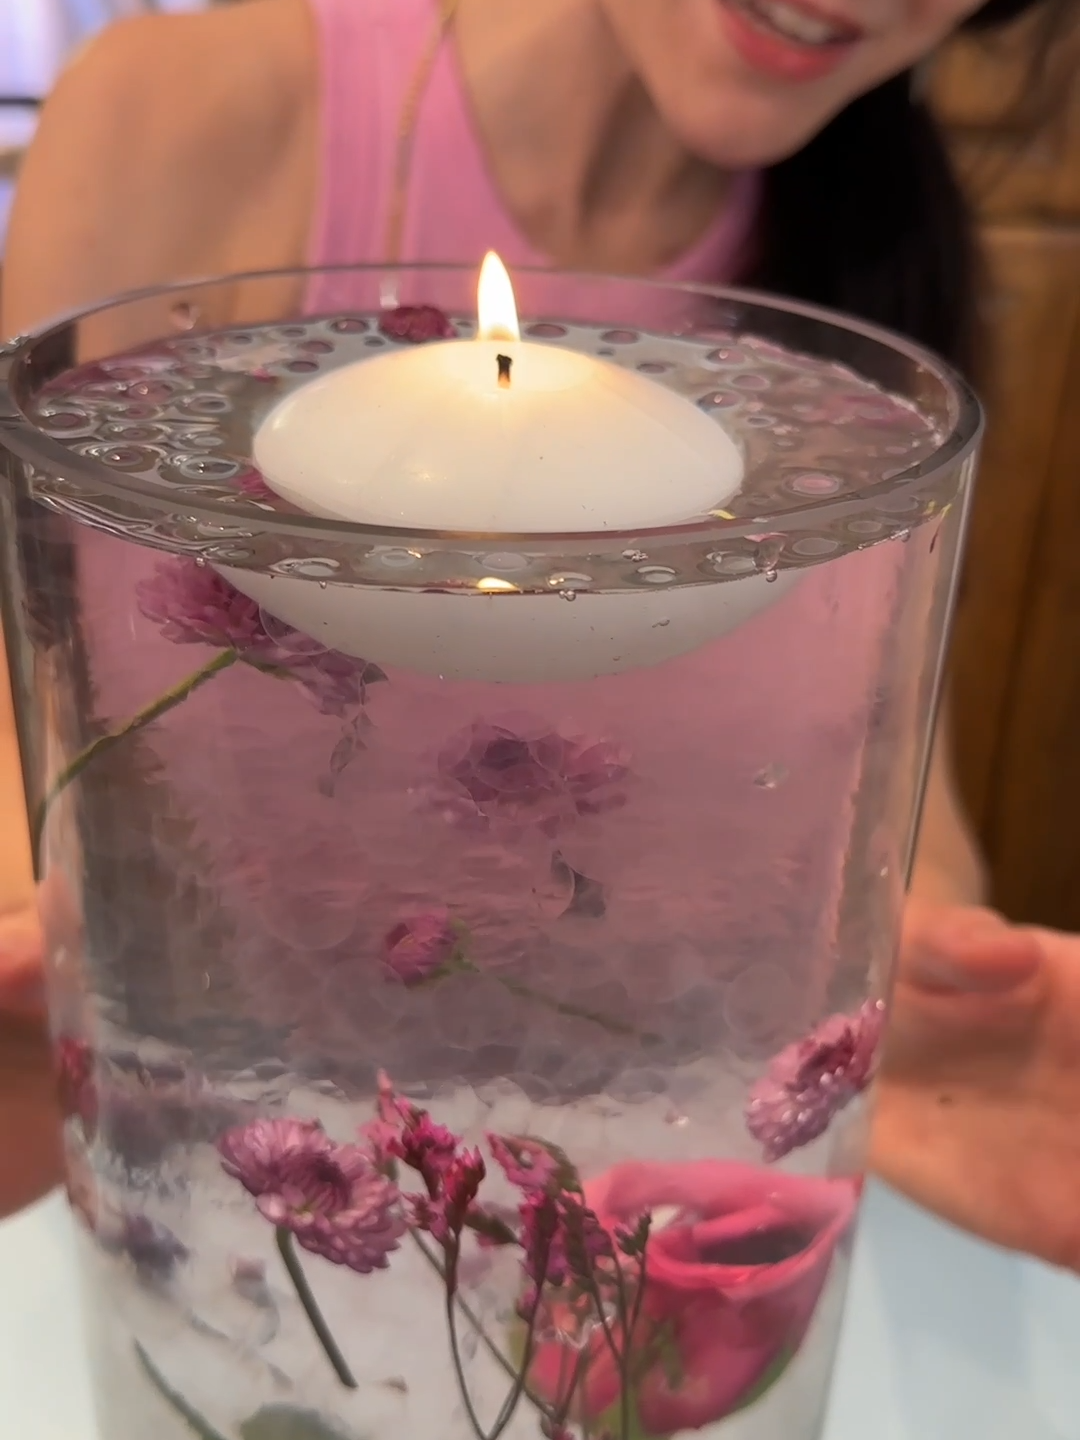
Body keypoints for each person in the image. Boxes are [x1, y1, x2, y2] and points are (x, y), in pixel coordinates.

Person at [2, 0, 1079, 1269]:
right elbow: (30, 700)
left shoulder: (873, 283)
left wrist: (933, 993)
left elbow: (890, 783)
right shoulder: (190, 109)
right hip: (239, 1196)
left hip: (660, 1194)